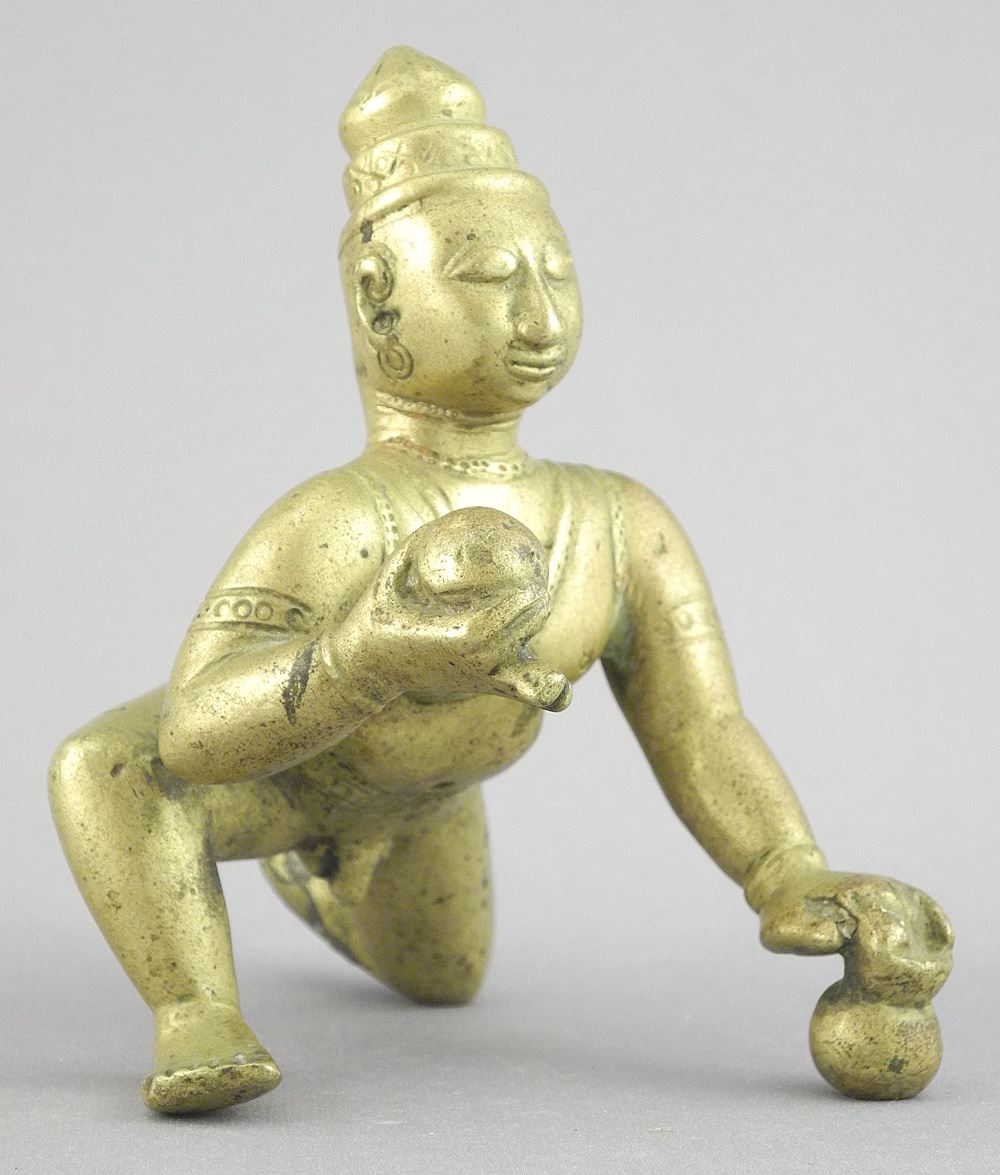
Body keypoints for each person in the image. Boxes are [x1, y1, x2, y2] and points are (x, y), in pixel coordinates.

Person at [49, 47, 952, 1115]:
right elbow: (194, 734)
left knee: (444, 975)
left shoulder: (617, 521)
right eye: (487, 278)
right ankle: (196, 1006)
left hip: (426, 796)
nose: (538, 316)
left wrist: (785, 869)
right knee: (107, 767)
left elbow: (703, 728)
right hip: (276, 777)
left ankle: (322, 873)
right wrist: (361, 659)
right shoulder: (340, 517)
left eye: (556, 273)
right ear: (380, 301)